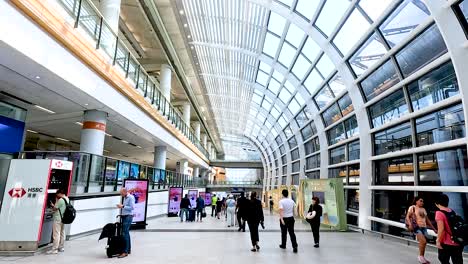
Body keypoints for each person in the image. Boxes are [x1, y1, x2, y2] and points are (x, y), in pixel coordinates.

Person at [405, 196, 436, 264]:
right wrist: (410, 224)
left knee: (423, 242)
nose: (422, 202)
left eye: (423, 201)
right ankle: (420, 257)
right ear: (416, 201)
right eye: (420, 201)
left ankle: (422, 257)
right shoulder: (412, 207)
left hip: (424, 228)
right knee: (423, 241)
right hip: (417, 227)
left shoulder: (424, 209)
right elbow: (407, 216)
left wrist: (434, 229)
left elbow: (427, 220)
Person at [435, 194, 463, 264]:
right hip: (457, 241)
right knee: (457, 261)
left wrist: (438, 241)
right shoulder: (451, 211)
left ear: (437, 204)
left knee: (443, 259)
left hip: (446, 243)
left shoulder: (439, 213)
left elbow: (441, 229)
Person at [47, 189, 69, 254]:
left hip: (58, 219)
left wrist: (53, 204)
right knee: (62, 232)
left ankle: (54, 249)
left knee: (56, 234)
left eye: (57, 194)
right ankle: (61, 247)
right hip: (63, 218)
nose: (57, 196)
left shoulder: (61, 200)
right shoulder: (67, 198)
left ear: (59, 193)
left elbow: (55, 208)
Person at [116, 188, 135, 258]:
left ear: (125, 192)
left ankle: (125, 252)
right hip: (125, 216)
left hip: (128, 216)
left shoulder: (130, 197)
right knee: (126, 232)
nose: (121, 195)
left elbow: (132, 207)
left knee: (124, 233)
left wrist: (123, 206)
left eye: (121, 193)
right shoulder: (125, 197)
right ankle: (128, 249)